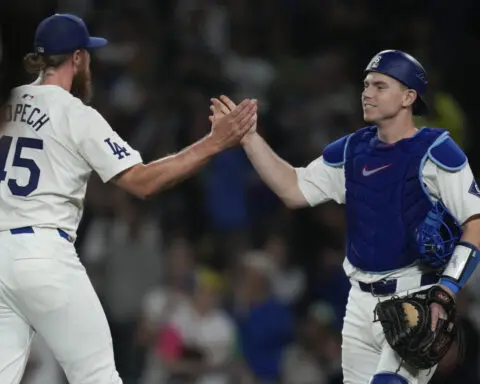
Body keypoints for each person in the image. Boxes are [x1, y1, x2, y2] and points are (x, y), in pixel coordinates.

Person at [0, 13, 256, 384]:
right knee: (98, 375)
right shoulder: (75, 114)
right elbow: (143, 181)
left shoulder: (8, 105)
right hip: (43, 255)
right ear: (76, 58)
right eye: (87, 55)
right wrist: (214, 143)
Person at [210, 50, 480, 383]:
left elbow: (475, 224)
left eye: (380, 85)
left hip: (415, 299)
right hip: (359, 302)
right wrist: (249, 139)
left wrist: (447, 290)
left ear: (409, 96)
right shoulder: (353, 150)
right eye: (366, 84)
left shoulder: (436, 150)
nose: (367, 92)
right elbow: (294, 189)